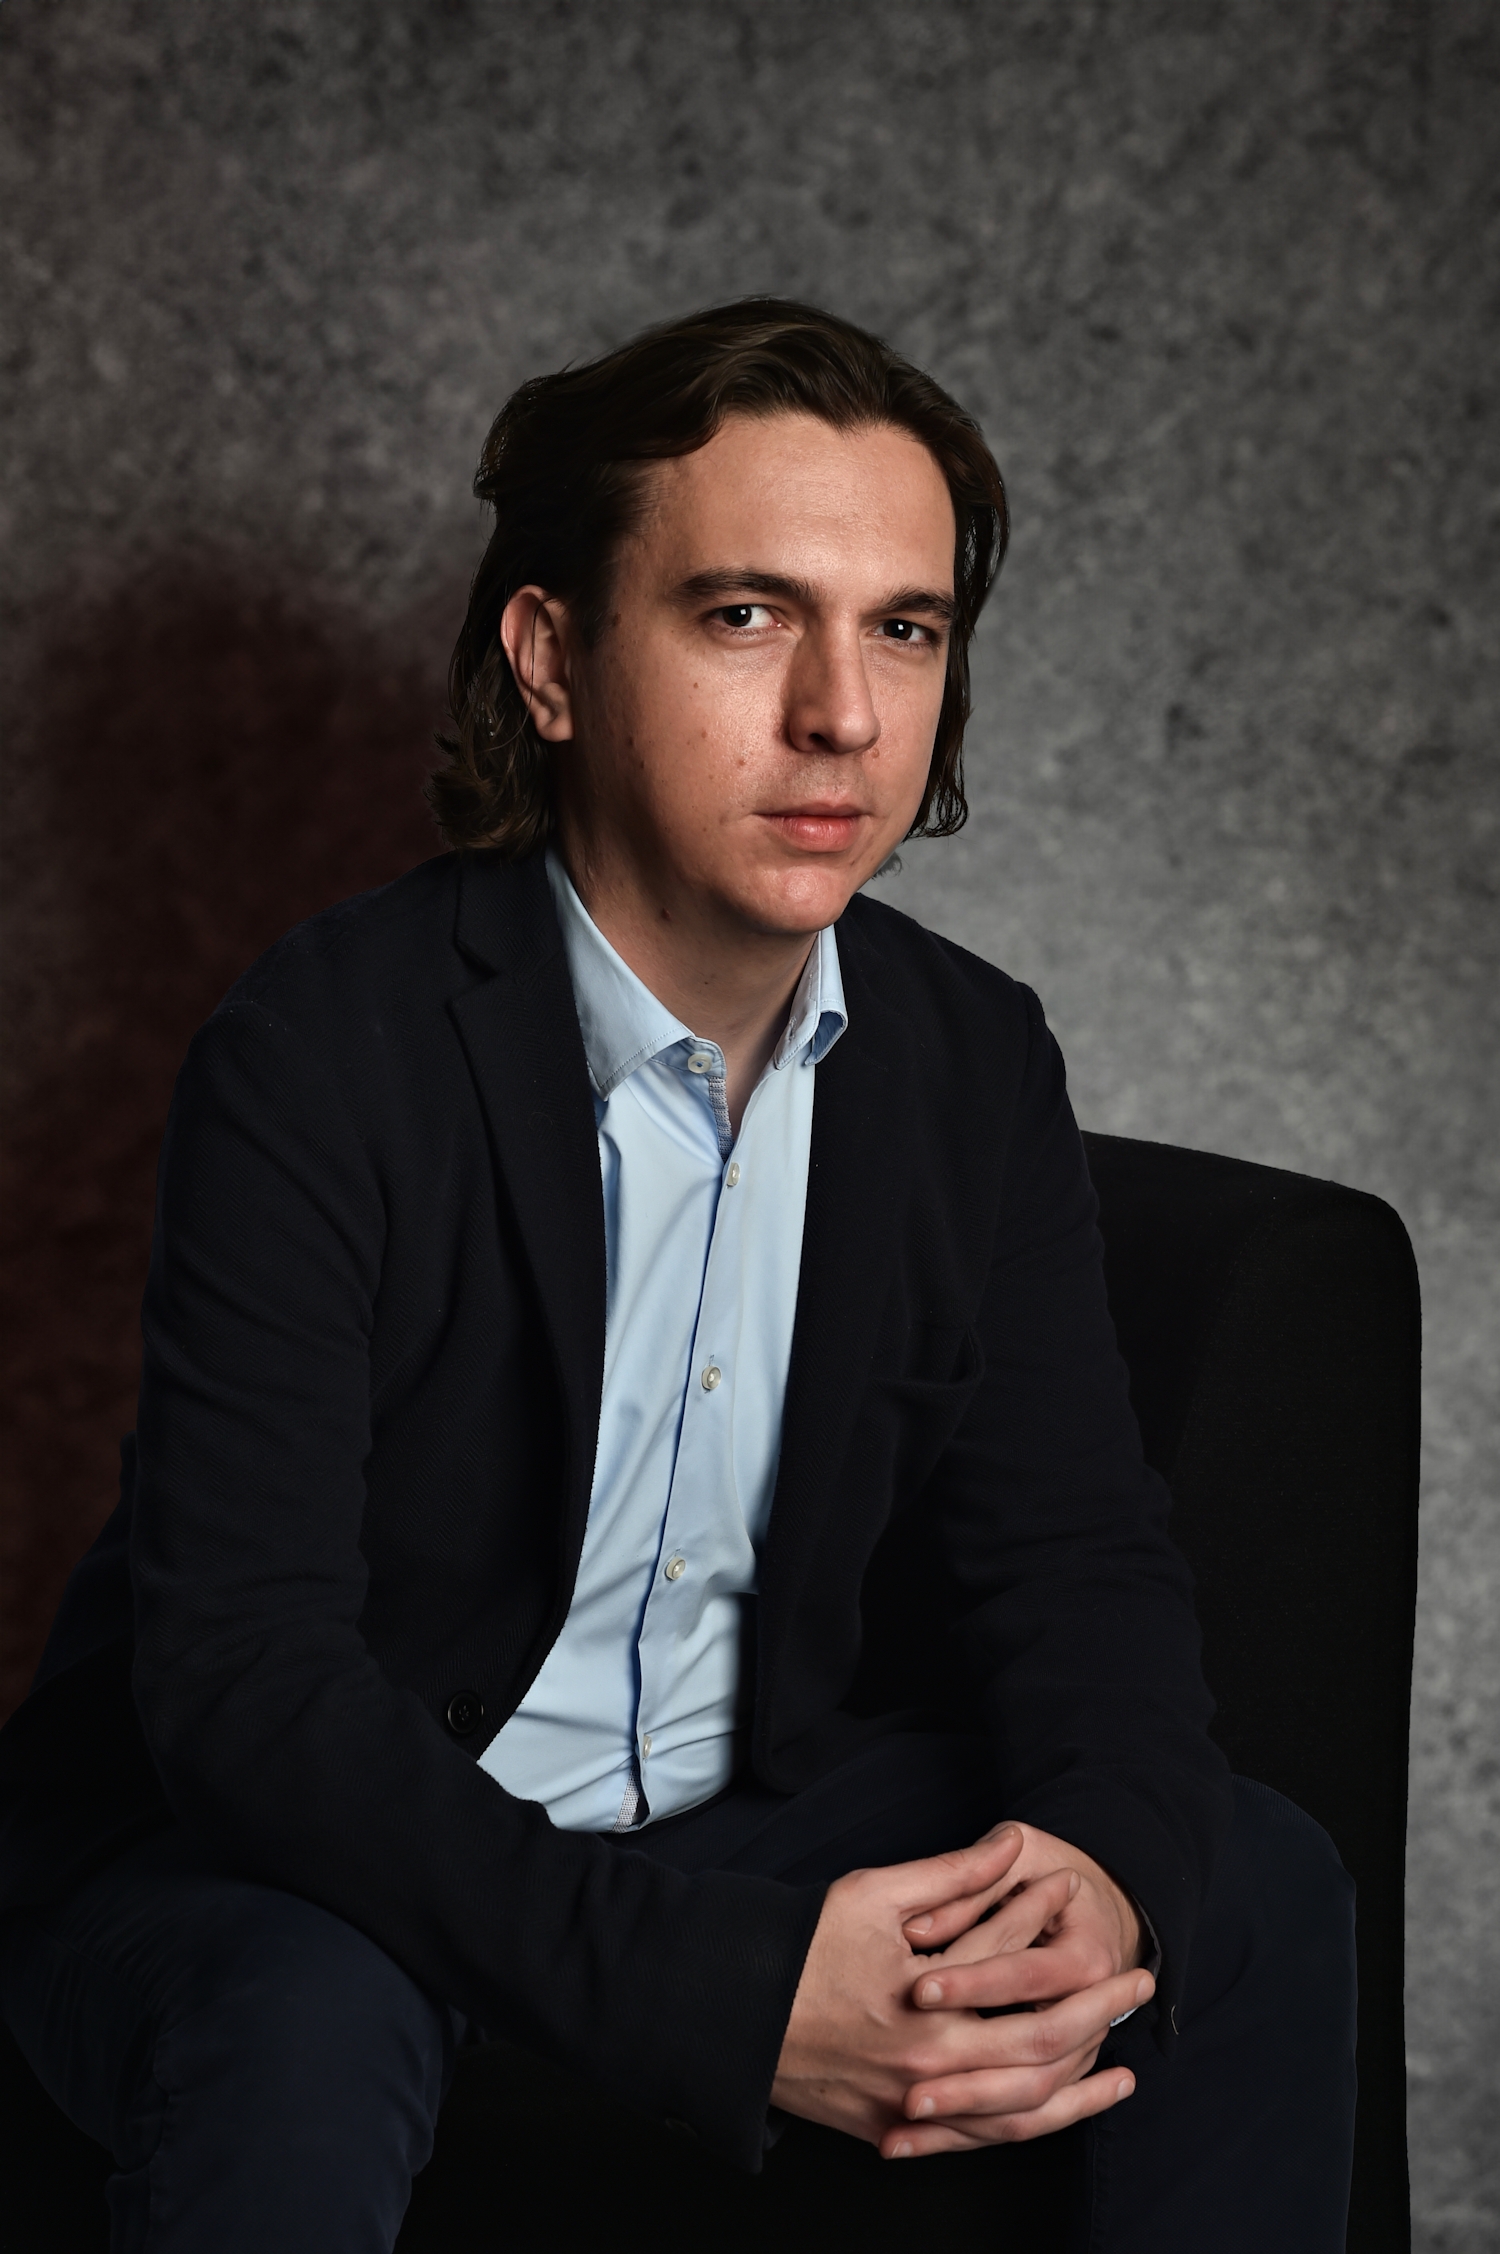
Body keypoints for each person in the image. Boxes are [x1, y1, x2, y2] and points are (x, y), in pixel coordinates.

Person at [0, 300, 1356, 2251]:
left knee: (1254, 1877)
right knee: (299, 2025)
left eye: (906, 626)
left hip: (740, 1804)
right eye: (744, 614)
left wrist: (1105, 1861)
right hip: (314, 1844)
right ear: (551, 660)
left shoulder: (969, 1057)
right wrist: (731, 1994)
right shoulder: (324, 1046)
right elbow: (247, 1685)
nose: (844, 713)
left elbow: (1074, 1556)